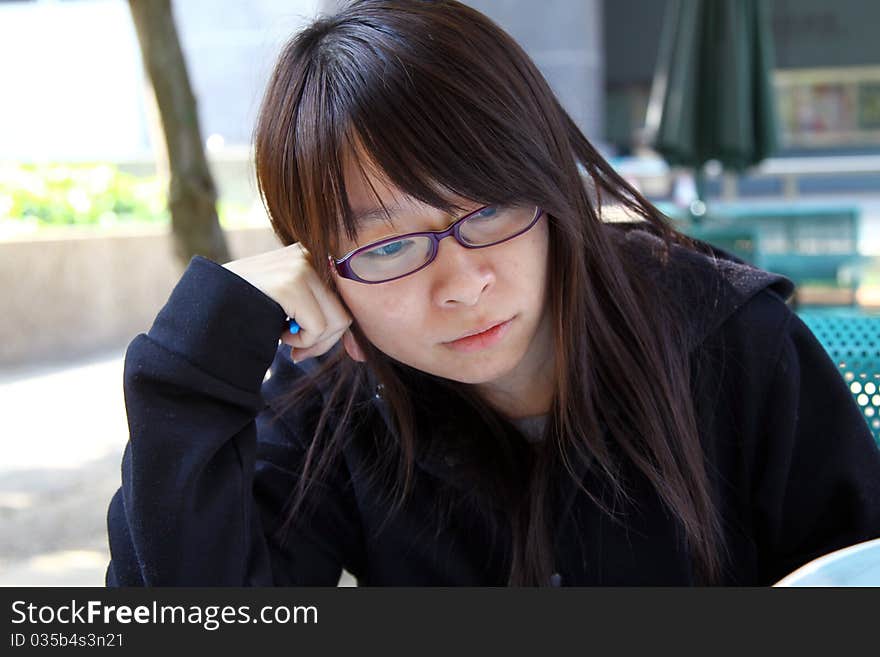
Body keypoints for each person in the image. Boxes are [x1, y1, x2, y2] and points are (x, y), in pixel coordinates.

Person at [105, 0, 880, 587]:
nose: (463, 283)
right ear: (320, 263)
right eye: (390, 244)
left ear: (550, 183)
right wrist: (198, 358)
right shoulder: (333, 396)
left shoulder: (734, 340)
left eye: (489, 208)